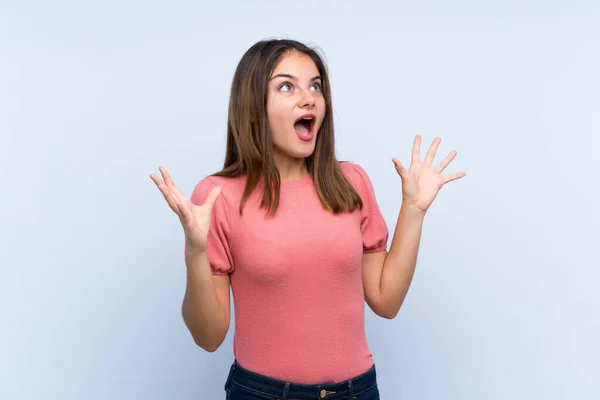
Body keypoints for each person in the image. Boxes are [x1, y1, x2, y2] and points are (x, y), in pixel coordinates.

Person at [150, 38, 466, 400]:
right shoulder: (218, 196)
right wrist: (195, 250)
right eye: (287, 86)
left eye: (315, 86)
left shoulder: (351, 182)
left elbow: (386, 300)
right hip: (262, 393)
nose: (309, 97)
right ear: (254, 106)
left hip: (357, 391)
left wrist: (413, 211)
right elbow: (208, 337)